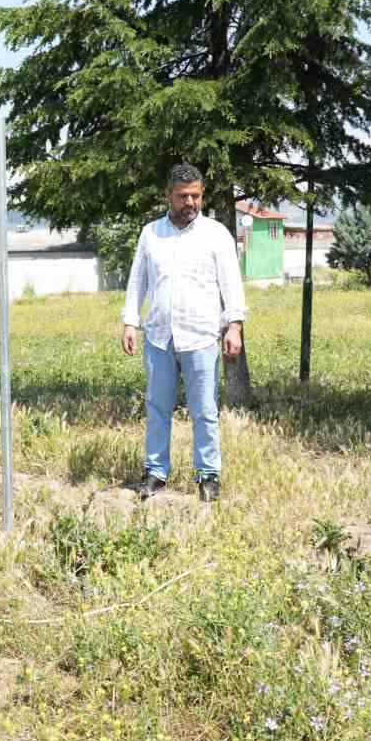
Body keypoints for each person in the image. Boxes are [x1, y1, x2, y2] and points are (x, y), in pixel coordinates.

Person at [120, 163, 247, 503]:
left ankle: (208, 475)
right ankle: (155, 472)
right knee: (157, 407)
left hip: (201, 337)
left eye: (195, 195)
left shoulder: (216, 234)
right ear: (168, 196)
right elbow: (138, 280)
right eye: (182, 196)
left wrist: (233, 325)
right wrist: (130, 321)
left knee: (204, 410)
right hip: (159, 337)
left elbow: (231, 283)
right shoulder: (151, 234)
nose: (190, 202)